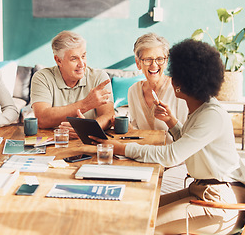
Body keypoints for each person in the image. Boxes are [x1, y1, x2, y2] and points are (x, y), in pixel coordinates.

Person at [90, 39, 245, 234]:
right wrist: (172, 121)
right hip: (200, 189)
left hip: (219, 200)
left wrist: (119, 147)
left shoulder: (211, 114)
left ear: (182, 83)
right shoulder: (200, 109)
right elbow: (191, 143)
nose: (171, 79)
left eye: (176, 75)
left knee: (140, 227)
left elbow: (172, 155)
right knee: (135, 211)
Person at [30, 30, 114, 135]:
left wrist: (87, 128)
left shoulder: (99, 77)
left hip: (89, 141)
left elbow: (108, 115)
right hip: (54, 143)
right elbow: (42, 119)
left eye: (83, 56)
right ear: (58, 60)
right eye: (74, 59)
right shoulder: (42, 78)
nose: (82, 64)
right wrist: (85, 104)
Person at [129, 33, 188, 144]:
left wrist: (170, 120)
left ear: (166, 62)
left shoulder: (180, 90)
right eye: (148, 60)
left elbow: (186, 137)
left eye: (160, 59)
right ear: (138, 63)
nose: (154, 65)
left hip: (171, 158)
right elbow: (136, 132)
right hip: (142, 155)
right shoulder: (133, 91)